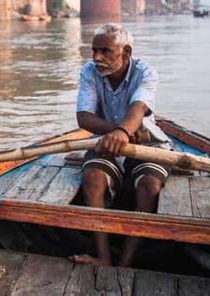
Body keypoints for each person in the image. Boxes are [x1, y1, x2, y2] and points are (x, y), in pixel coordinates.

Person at [72, 23, 172, 267]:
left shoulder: (145, 71)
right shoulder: (89, 71)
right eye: (94, 50)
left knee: (149, 186)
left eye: (105, 51)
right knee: (93, 178)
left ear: (126, 53)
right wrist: (119, 132)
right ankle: (103, 256)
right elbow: (83, 117)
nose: (97, 57)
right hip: (108, 143)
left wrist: (124, 131)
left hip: (149, 144)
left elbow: (138, 108)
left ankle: (126, 263)